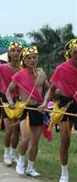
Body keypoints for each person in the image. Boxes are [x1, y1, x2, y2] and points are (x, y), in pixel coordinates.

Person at [6, 46, 50, 177]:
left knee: (35, 141)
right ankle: (20, 162)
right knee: (25, 138)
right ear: (24, 60)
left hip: (38, 110)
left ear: (37, 58)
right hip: (25, 109)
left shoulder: (41, 74)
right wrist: (10, 102)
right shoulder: (19, 75)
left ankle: (30, 167)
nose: (32, 60)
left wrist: (45, 102)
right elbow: (8, 91)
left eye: (34, 57)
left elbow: (49, 89)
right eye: (29, 58)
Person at [39, 39, 77, 182]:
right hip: (65, 106)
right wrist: (44, 102)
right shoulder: (61, 69)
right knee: (65, 140)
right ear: (69, 53)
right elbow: (52, 89)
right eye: (76, 51)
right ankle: (64, 173)